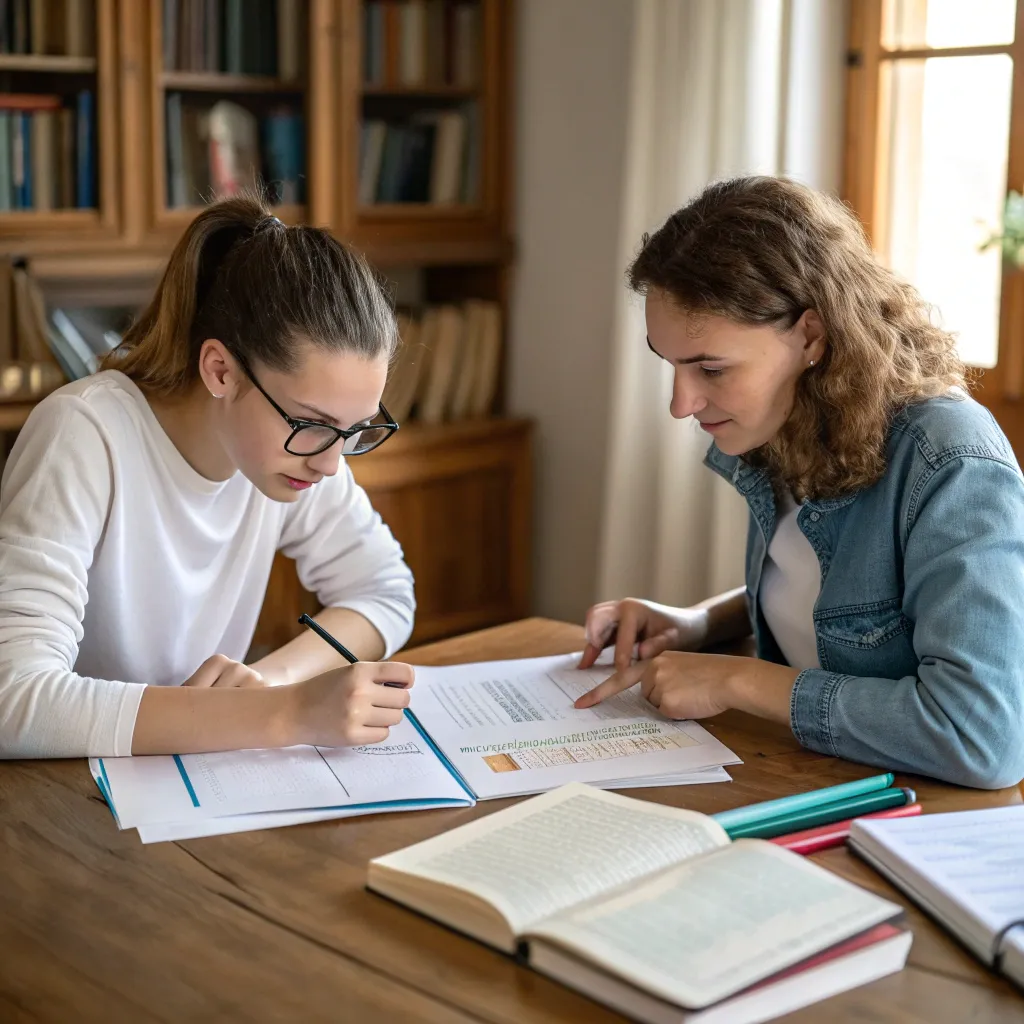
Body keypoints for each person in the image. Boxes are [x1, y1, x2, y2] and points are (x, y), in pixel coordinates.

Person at [576, 175, 1024, 790]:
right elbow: (832, 590)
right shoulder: (778, 421)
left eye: (710, 368)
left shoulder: (949, 461)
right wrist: (700, 624)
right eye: (670, 363)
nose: (681, 405)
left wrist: (736, 680)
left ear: (810, 335)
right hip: (813, 773)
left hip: (925, 812)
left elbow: (982, 738)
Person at [0, 195, 417, 759]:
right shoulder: (85, 433)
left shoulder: (295, 454)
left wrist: (270, 680)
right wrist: (283, 711)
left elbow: (385, 590)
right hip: (66, 802)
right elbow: (14, 700)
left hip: (191, 782)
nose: (330, 463)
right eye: (312, 424)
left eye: (356, 430)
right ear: (220, 369)